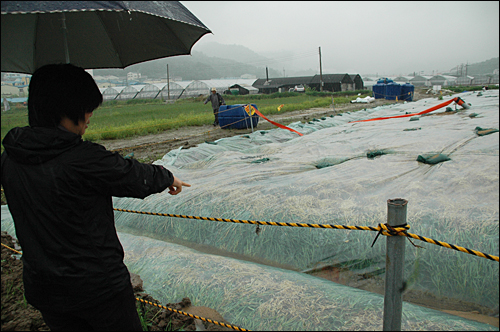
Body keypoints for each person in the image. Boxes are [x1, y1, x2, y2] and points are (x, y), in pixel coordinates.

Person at [1, 63, 191, 331]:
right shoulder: (81, 158)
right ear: (65, 111)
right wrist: (168, 177)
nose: (90, 116)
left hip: (45, 288)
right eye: (87, 108)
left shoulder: (10, 158)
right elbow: (132, 175)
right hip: (97, 291)